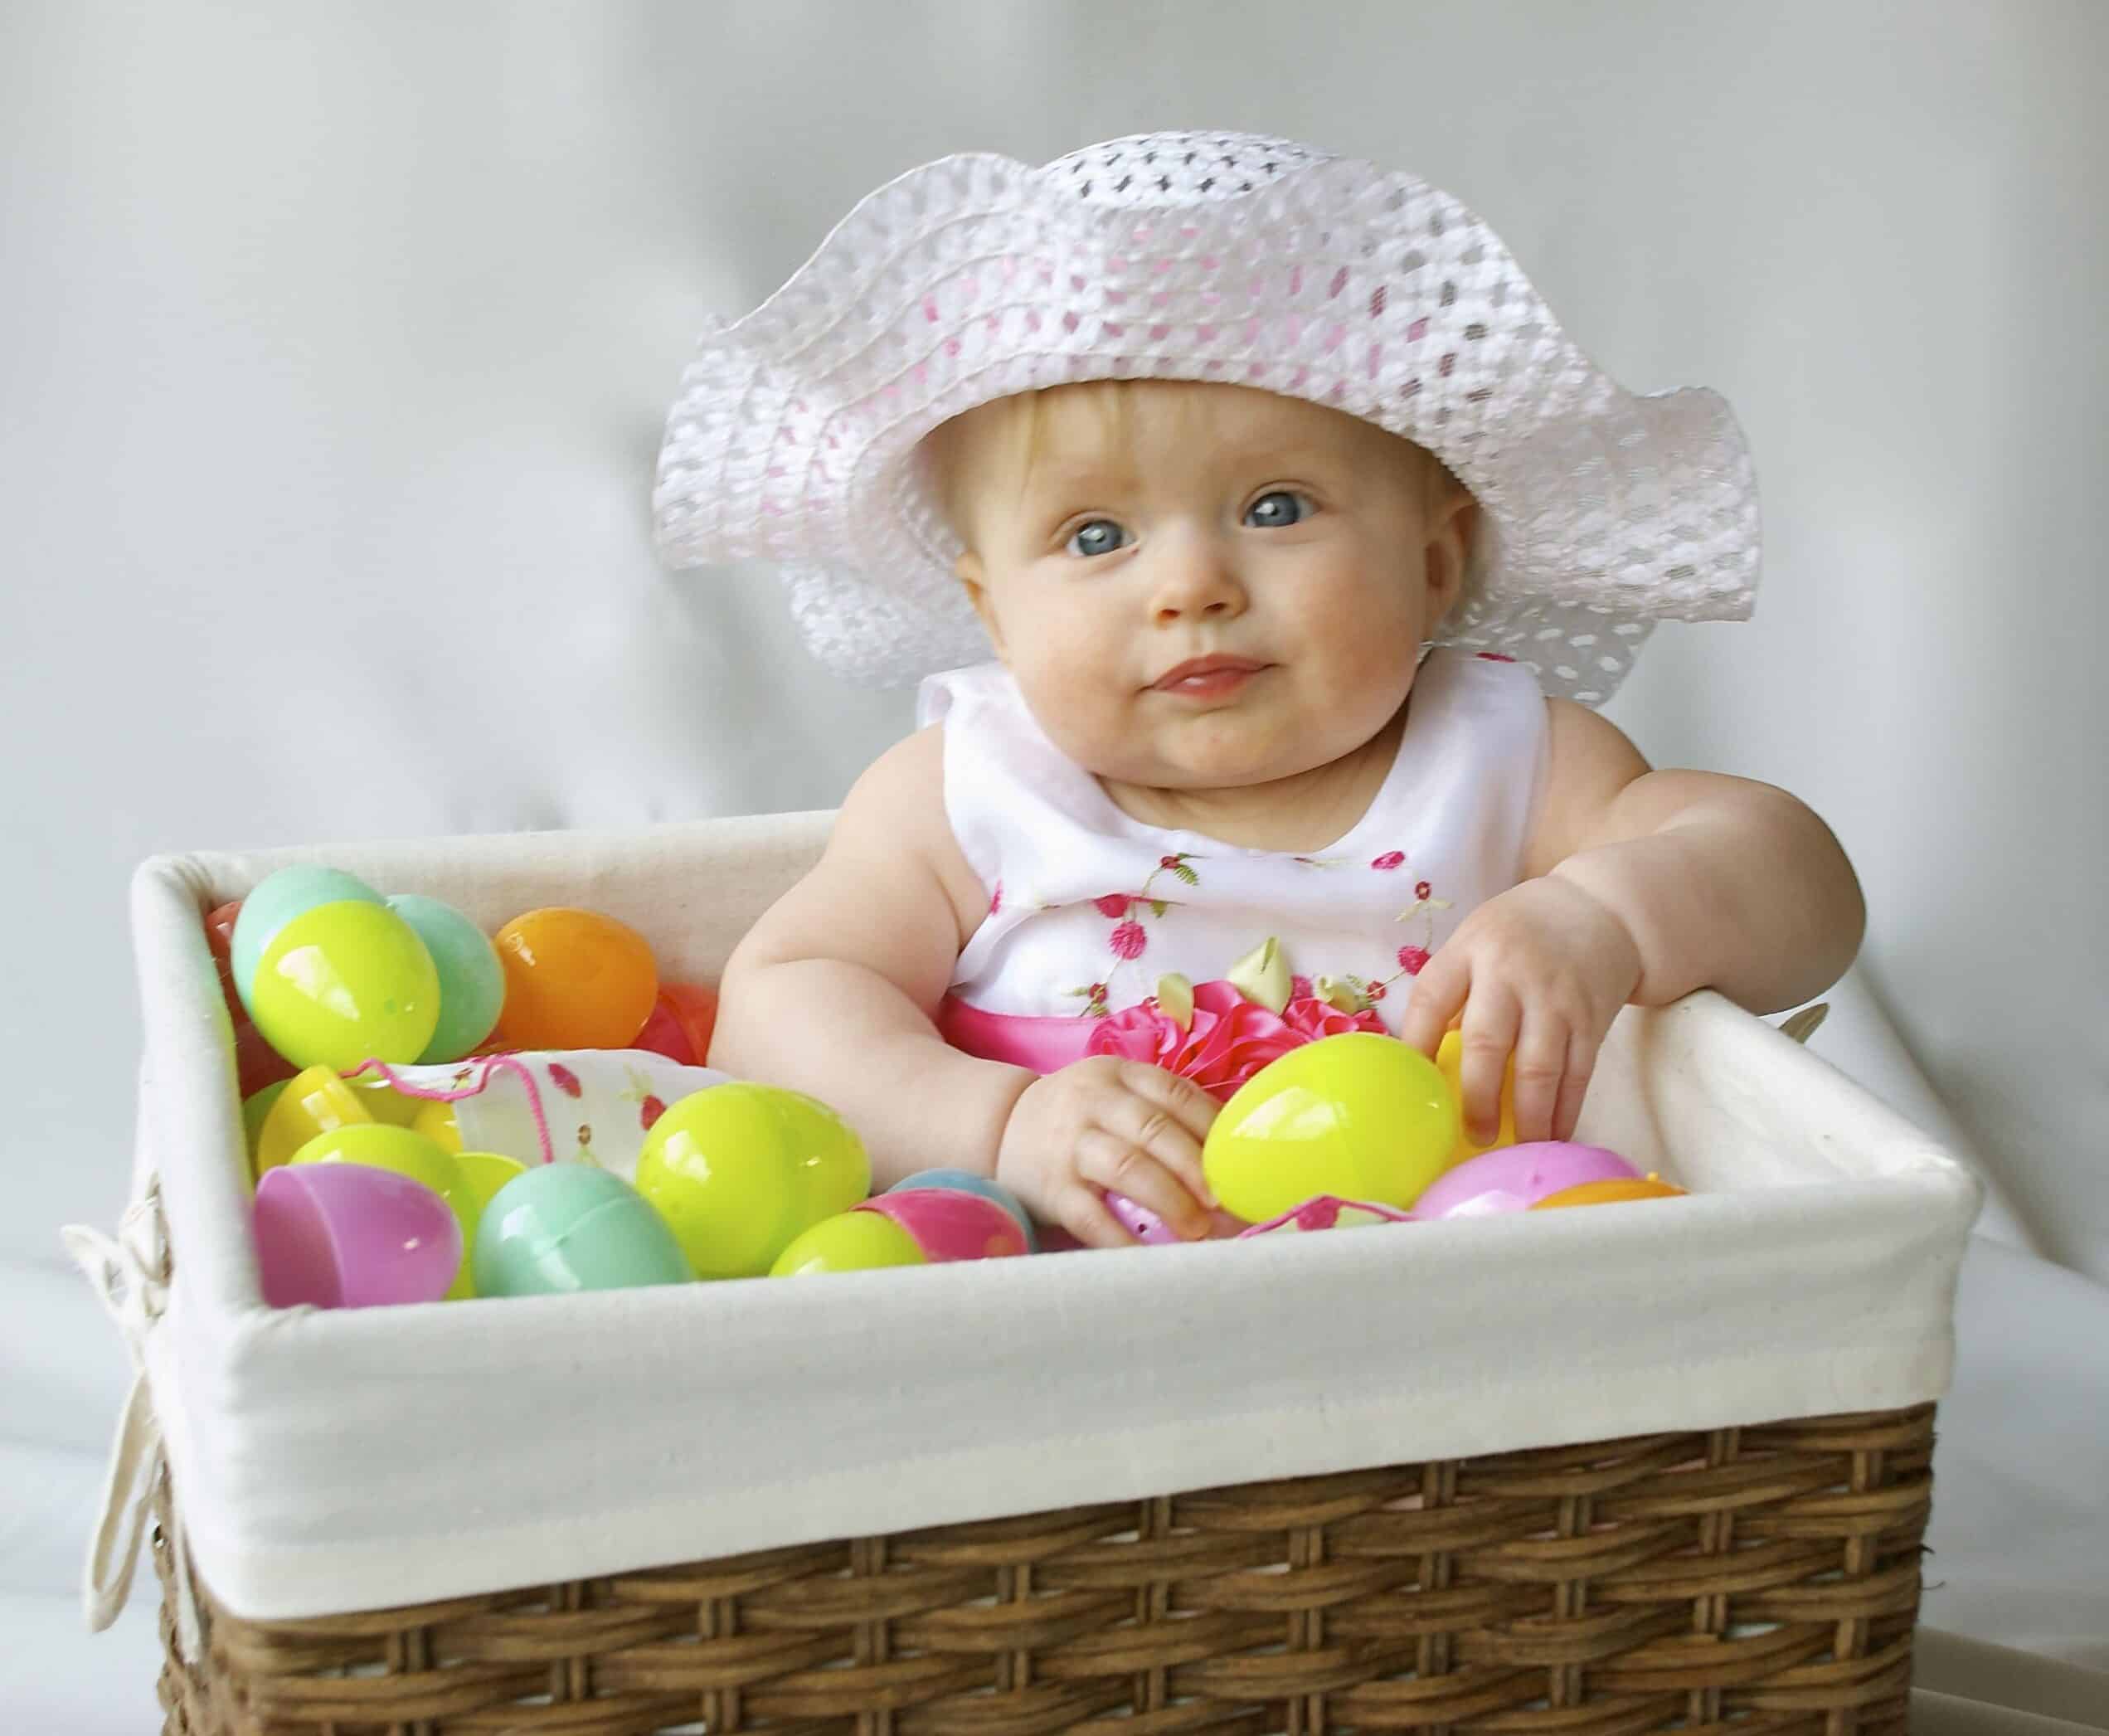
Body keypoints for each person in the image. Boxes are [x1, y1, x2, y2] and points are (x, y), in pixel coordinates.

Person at [652, 132, 1863, 1248]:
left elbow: (1804, 883)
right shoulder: (971, 796)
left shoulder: (1504, 761)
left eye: (1275, 508)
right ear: (990, 612)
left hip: (1456, 1340)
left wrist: (1603, 916)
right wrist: (998, 1123)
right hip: (1067, 1349)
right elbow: (780, 1003)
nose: (1190, 585)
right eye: (1093, 536)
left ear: (1436, 564)